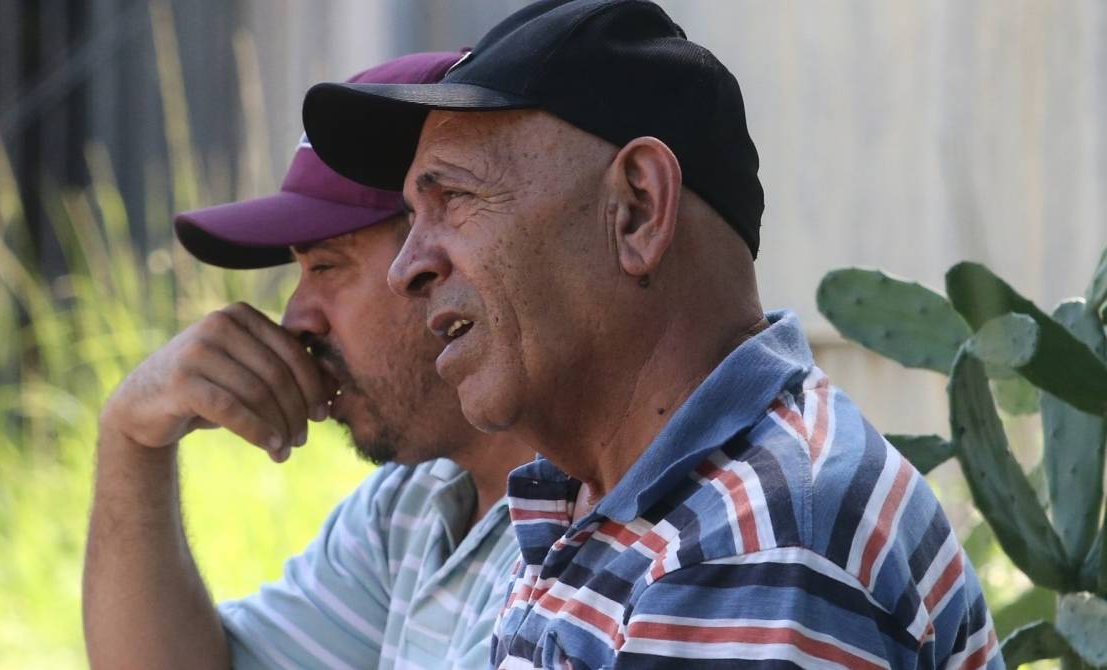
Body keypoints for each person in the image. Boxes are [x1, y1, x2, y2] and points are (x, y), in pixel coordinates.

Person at [301, 1, 1005, 668]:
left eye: (452, 198)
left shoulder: (757, 544)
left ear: (637, 209)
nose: (406, 267)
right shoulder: (615, 502)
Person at [82, 52, 534, 670]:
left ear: (438, 257)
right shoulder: (410, 504)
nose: (298, 318)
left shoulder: (586, 527)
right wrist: (132, 440)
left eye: (326, 265)